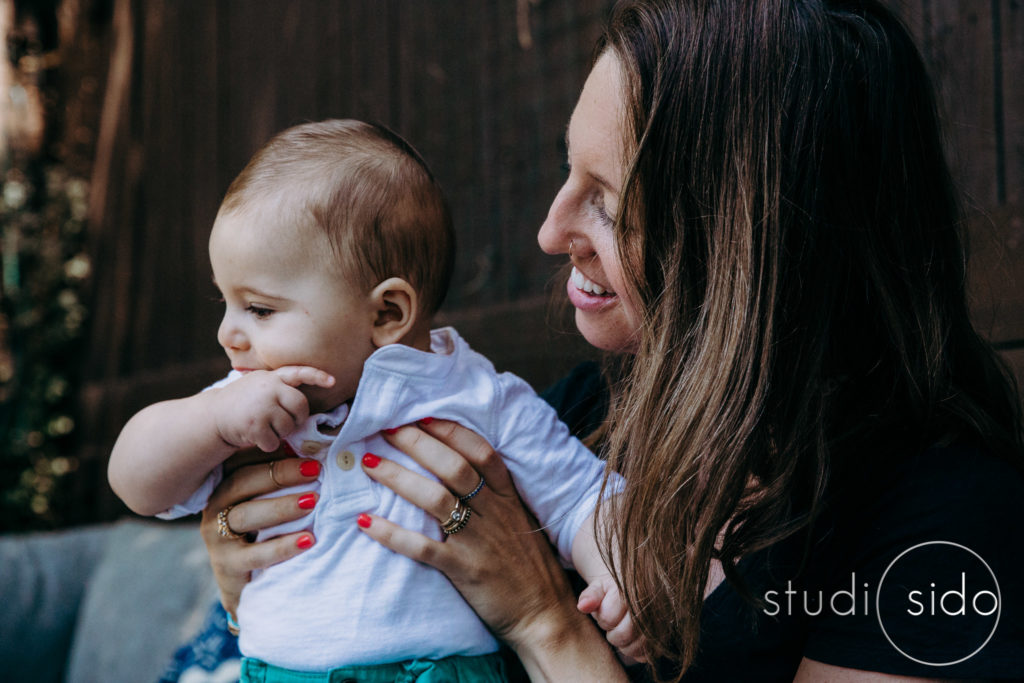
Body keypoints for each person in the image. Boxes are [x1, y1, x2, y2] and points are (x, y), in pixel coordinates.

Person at [192, 1, 1024, 681]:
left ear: (753, 238)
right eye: (567, 173)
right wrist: (245, 572)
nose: (553, 231)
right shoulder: (588, 411)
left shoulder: (941, 529)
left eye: (609, 200)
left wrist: (543, 621)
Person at [108, 119, 632, 682]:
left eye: (259, 309)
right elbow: (136, 483)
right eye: (226, 304)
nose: (228, 334)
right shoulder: (247, 406)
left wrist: (619, 580)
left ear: (386, 314)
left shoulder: (478, 397)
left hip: (442, 671)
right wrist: (209, 419)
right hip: (281, 671)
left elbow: (580, 496)